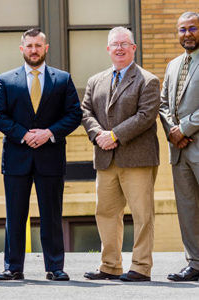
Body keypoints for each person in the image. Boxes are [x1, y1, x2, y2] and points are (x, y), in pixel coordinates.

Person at [0, 28, 82, 281]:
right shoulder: (6, 80)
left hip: (50, 156)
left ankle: (55, 267)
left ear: (46, 48)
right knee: (15, 214)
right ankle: (13, 267)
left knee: (52, 215)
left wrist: (48, 133)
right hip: (17, 157)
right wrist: (24, 134)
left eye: (38, 46)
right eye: (29, 46)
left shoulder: (62, 79)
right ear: (22, 49)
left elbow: (75, 114)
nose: (33, 50)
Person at [81, 26, 160, 282]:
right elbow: (86, 113)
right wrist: (99, 136)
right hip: (105, 159)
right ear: (108, 49)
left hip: (137, 158)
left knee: (142, 214)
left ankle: (140, 267)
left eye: (125, 44)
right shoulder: (96, 81)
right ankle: (110, 265)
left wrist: (114, 135)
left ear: (134, 48)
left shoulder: (148, 80)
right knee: (105, 212)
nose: (120, 48)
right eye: (115, 44)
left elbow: (146, 116)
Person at [160, 12, 199, 282]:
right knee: (187, 210)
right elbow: (162, 103)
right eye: (182, 29)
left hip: (195, 141)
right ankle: (195, 262)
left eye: (193, 28)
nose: (187, 34)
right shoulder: (173, 65)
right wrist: (173, 132)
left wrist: (184, 128)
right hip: (179, 150)